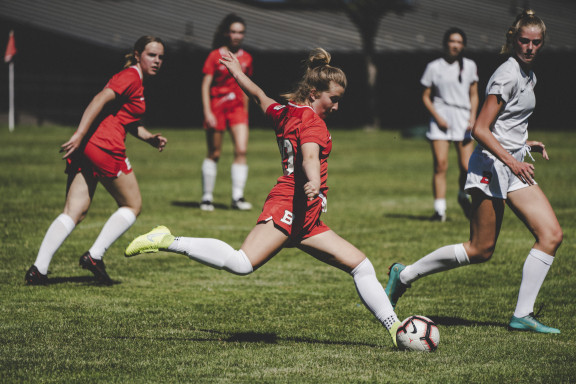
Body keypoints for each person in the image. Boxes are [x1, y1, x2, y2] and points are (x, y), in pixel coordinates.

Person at [126, 48, 402, 346]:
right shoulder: (313, 123)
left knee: (360, 265)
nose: (336, 107)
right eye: (333, 99)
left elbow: (259, 96)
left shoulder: (284, 112)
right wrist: (313, 184)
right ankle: (167, 239)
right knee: (241, 263)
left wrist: (237, 74)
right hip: (290, 206)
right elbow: (309, 156)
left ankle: (395, 328)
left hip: (306, 217)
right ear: (313, 93)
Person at [386, 10, 563, 333]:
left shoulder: (528, 75)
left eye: (536, 42)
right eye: (524, 41)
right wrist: (512, 160)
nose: (530, 47)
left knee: (551, 235)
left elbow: (506, 124)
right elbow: (480, 130)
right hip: (490, 168)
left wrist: (524, 143)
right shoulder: (507, 74)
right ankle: (405, 274)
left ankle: (522, 315)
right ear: (513, 39)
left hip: (512, 166)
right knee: (480, 249)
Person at [24, 36, 168, 285]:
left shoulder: (138, 81)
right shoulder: (130, 76)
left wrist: (149, 138)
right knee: (132, 205)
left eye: (160, 57)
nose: (157, 61)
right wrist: (78, 134)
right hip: (104, 145)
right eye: (151, 55)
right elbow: (99, 99)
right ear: (137, 55)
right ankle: (94, 255)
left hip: (91, 145)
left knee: (74, 212)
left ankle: (38, 270)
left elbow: (127, 120)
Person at [421, 27, 479, 221]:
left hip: (463, 119)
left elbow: (474, 94)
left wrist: (473, 117)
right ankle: (440, 210)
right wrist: (437, 117)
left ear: (463, 45)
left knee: (466, 166)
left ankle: (463, 196)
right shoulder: (434, 67)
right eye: (452, 41)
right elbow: (426, 96)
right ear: (446, 43)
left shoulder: (470, 66)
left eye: (459, 42)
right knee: (441, 165)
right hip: (441, 118)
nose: (455, 45)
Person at [200, 13, 253, 211]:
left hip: (238, 109)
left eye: (240, 32)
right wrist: (208, 112)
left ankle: (237, 197)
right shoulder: (215, 56)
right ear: (226, 33)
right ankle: (207, 197)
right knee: (214, 152)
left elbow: (247, 86)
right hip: (217, 107)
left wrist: (246, 114)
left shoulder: (247, 58)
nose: (237, 36)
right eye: (233, 32)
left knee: (241, 150)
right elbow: (205, 85)